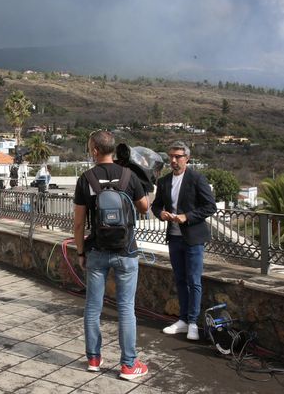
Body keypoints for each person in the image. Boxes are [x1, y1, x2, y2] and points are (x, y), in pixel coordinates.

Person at [73, 130, 150, 380]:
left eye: (89, 147)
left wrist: (81, 252)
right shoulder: (128, 175)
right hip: (126, 251)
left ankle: (94, 359)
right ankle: (128, 365)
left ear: (95, 150)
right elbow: (144, 207)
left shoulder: (86, 179)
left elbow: (78, 223)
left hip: (97, 251)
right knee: (126, 308)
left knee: (92, 307)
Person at [151, 141, 217, 341]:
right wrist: (161, 213)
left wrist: (186, 217)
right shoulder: (164, 181)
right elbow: (156, 206)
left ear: (187, 158)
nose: (173, 160)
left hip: (193, 238)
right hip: (174, 238)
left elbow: (210, 206)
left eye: (178, 156)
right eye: (171, 156)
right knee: (180, 279)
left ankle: (193, 323)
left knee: (194, 281)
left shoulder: (196, 178)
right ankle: (183, 320)